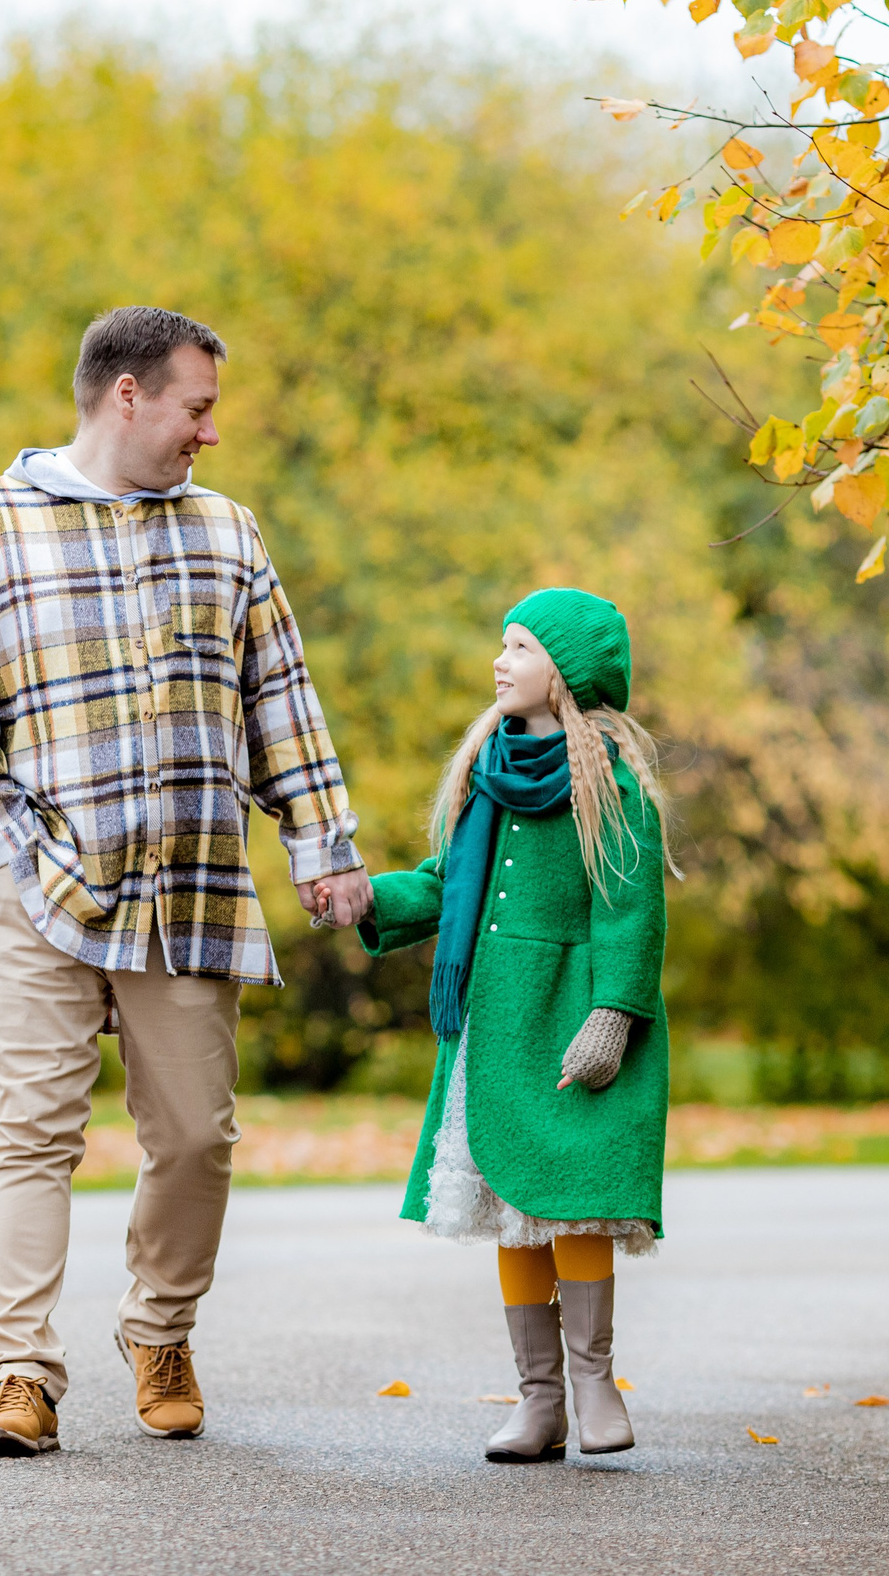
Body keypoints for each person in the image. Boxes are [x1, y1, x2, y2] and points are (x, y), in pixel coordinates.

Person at [0, 305, 373, 1457]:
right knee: (28, 1131)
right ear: (128, 394)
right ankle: (17, 1370)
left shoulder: (227, 534)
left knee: (197, 1140)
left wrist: (324, 844)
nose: (208, 433)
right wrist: (13, 855)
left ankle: (159, 1329)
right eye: (197, 407)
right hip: (46, 892)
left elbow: (282, 701)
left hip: (194, 893)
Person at [350, 589, 672, 1464]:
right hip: (497, 1024)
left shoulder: (609, 781)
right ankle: (539, 1401)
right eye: (503, 644)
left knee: (568, 1203)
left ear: (564, 675)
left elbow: (630, 907)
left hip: (571, 1020)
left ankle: (596, 1384)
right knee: (511, 1210)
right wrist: (367, 896)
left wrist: (613, 1016)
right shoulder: (486, 771)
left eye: (521, 648)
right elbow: (445, 881)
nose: (501, 661)